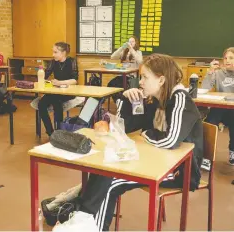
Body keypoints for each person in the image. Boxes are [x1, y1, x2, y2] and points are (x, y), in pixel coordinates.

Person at [79, 54, 204, 231]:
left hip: (181, 171)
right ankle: (84, 219)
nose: (140, 82)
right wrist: (127, 101)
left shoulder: (180, 99)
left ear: (161, 79)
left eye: (145, 77)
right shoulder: (154, 98)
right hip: (157, 160)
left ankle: (90, 225)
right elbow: (125, 127)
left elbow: (170, 140)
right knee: (103, 169)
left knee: (111, 182)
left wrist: (146, 133)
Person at [202, 47, 234, 166]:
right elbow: (204, 88)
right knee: (209, 122)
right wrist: (210, 72)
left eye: (231, 58)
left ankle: (233, 149)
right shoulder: (219, 72)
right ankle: (206, 155)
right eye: (225, 58)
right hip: (219, 108)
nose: (227, 60)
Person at [38, 42, 78, 136]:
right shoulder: (53, 62)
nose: (53, 54)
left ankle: (58, 131)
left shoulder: (72, 61)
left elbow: (74, 80)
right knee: (41, 104)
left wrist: (60, 83)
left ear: (63, 53)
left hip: (68, 92)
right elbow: (45, 76)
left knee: (56, 102)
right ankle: (50, 131)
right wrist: (43, 78)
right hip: (55, 91)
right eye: (53, 52)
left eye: (55, 52)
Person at [107, 36, 143, 102]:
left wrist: (131, 49)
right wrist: (121, 48)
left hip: (133, 77)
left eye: (132, 41)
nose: (130, 43)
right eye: (129, 41)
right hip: (122, 76)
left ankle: (123, 102)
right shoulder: (124, 52)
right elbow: (112, 57)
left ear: (136, 43)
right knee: (111, 84)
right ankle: (119, 101)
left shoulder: (138, 52)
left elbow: (140, 61)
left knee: (126, 88)